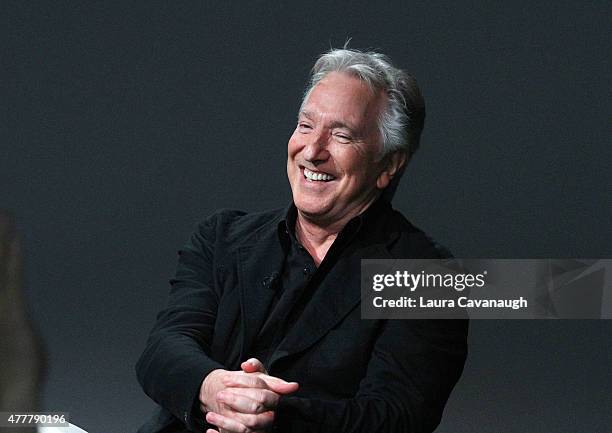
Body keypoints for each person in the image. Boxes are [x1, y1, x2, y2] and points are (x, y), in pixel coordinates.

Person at [136, 47, 468, 433]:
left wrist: (270, 415)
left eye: (341, 135)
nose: (312, 152)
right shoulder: (221, 237)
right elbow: (162, 350)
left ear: (388, 165)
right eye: (305, 126)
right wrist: (215, 388)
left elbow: (396, 418)